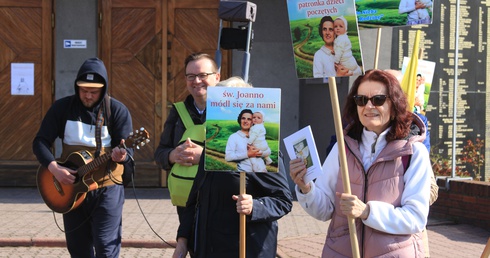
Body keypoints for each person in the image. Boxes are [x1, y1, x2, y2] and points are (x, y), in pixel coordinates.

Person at [290, 69, 432, 257]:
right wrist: (306, 189)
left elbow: (416, 218)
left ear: (394, 103)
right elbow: (324, 211)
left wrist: (367, 212)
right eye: (361, 100)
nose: (369, 106)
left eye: (378, 99)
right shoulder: (342, 148)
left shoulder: (413, 153)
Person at [172, 77, 293, 258]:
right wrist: (183, 241)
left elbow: (283, 200)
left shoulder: (263, 151)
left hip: (247, 249)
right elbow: (195, 199)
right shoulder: (214, 149)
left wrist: (255, 206)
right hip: (207, 249)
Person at [32, 57, 134, 257]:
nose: (88, 95)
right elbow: (40, 142)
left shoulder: (117, 111)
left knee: (106, 246)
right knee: (78, 249)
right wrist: (55, 169)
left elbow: (127, 151)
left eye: (94, 92)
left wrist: (121, 156)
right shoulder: (62, 108)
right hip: (71, 189)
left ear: (103, 89)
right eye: (84, 90)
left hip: (106, 189)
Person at [154, 52, 220, 222]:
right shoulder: (177, 111)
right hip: (186, 198)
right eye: (191, 76)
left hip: (220, 197)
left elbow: (240, 157)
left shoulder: (229, 112)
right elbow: (160, 153)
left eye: (202, 75)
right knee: (191, 245)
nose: (196, 81)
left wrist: (204, 156)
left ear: (217, 77)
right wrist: (172, 156)